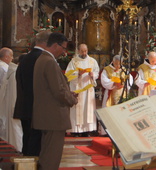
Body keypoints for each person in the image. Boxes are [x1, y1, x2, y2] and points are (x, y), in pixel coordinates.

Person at [33, 32, 78, 169]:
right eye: (63, 48)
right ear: (54, 45)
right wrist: (71, 99)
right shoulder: (49, 62)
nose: (64, 52)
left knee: (47, 153)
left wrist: (67, 92)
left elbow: (51, 88)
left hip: (47, 115)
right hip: (54, 117)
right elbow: (58, 91)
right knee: (52, 156)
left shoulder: (42, 59)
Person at [13, 30, 51, 156]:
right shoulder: (43, 59)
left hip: (25, 107)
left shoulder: (24, 58)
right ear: (47, 43)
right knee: (35, 146)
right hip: (38, 109)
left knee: (27, 142)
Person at [65, 43, 100, 136]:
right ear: (78, 51)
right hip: (78, 88)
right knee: (76, 108)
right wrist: (78, 74)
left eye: (85, 51)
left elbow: (96, 72)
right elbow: (68, 74)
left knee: (88, 108)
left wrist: (93, 75)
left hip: (88, 88)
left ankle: (87, 130)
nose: (84, 53)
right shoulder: (73, 61)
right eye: (82, 51)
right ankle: (75, 131)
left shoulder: (92, 61)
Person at [0, 47, 22, 151]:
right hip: (11, 102)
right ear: (6, 57)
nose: (12, 59)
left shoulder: (9, 70)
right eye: (11, 56)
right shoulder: (7, 70)